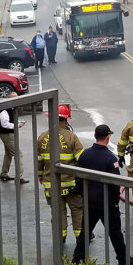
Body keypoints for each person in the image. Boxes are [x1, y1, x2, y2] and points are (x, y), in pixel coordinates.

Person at [73, 124, 133, 265]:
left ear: (95, 137)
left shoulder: (85, 154)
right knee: (114, 232)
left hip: (89, 202)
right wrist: (115, 202)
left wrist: (82, 194)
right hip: (106, 203)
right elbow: (115, 183)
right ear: (108, 138)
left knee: (85, 231)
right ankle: (123, 260)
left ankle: (77, 259)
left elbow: (78, 177)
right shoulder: (110, 158)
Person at [37, 104, 85, 243]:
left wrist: (40, 176)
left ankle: (60, 237)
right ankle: (80, 238)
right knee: (77, 211)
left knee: (58, 212)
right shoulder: (71, 137)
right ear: (65, 120)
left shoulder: (42, 137)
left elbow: (39, 161)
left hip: (51, 183)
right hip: (72, 185)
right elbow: (81, 160)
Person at [0, 92, 29, 183]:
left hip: (7, 134)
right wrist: (16, 125)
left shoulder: (11, 108)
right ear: (9, 99)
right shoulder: (5, 110)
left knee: (8, 154)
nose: (17, 100)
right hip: (7, 134)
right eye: (14, 98)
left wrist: (19, 122)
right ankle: (19, 177)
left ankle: (4, 173)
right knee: (18, 154)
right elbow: (4, 124)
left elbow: (10, 120)